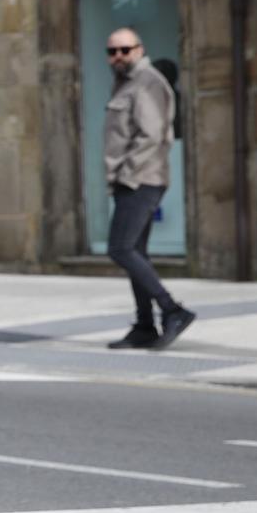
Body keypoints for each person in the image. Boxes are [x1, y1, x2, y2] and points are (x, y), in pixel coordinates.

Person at [102, 28, 194, 349]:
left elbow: (152, 136)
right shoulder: (126, 83)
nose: (118, 57)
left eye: (125, 50)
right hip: (131, 180)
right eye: (112, 52)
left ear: (140, 49)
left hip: (142, 179)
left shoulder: (149, 82)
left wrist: (127, 174)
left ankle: (172, 310)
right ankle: (144, 326)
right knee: (134, 251)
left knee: (120, 248)